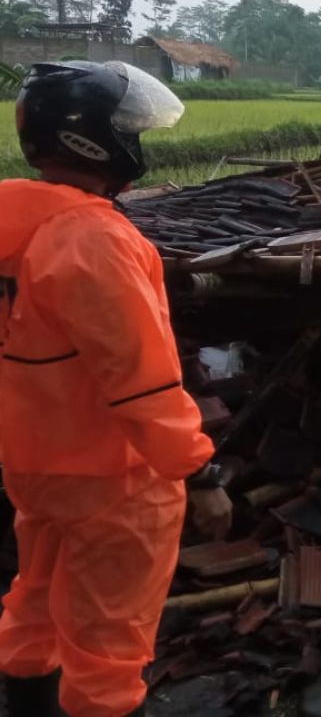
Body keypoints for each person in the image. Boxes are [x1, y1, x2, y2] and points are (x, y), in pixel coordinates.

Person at [0, 61, 233, 717]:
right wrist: (202, 472)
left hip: (34, 463)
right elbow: (143, 384)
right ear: (94, 139)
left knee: (34, 602)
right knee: (110, 639)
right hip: (114, 478)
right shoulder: (94, 241)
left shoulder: (14, 226)